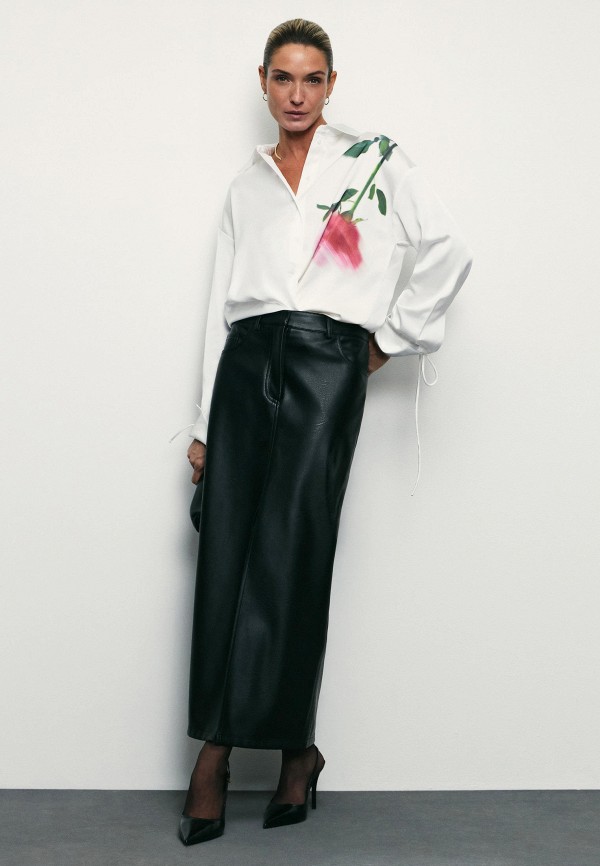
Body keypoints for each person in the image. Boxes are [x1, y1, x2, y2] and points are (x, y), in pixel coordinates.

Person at [179, 18, 474, 846]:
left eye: (312, 79)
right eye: (283, 78)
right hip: (244, 365)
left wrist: (386, 341)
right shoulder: (244, 186)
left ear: (332, 84)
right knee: (227, 553)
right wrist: (203, 425)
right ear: (263, 82)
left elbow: (448, 249)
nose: (297, 94)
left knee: (294, 555)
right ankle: (268, 752)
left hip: (323, 364)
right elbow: (218, 310)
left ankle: (243, 753)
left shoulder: (374, 161)